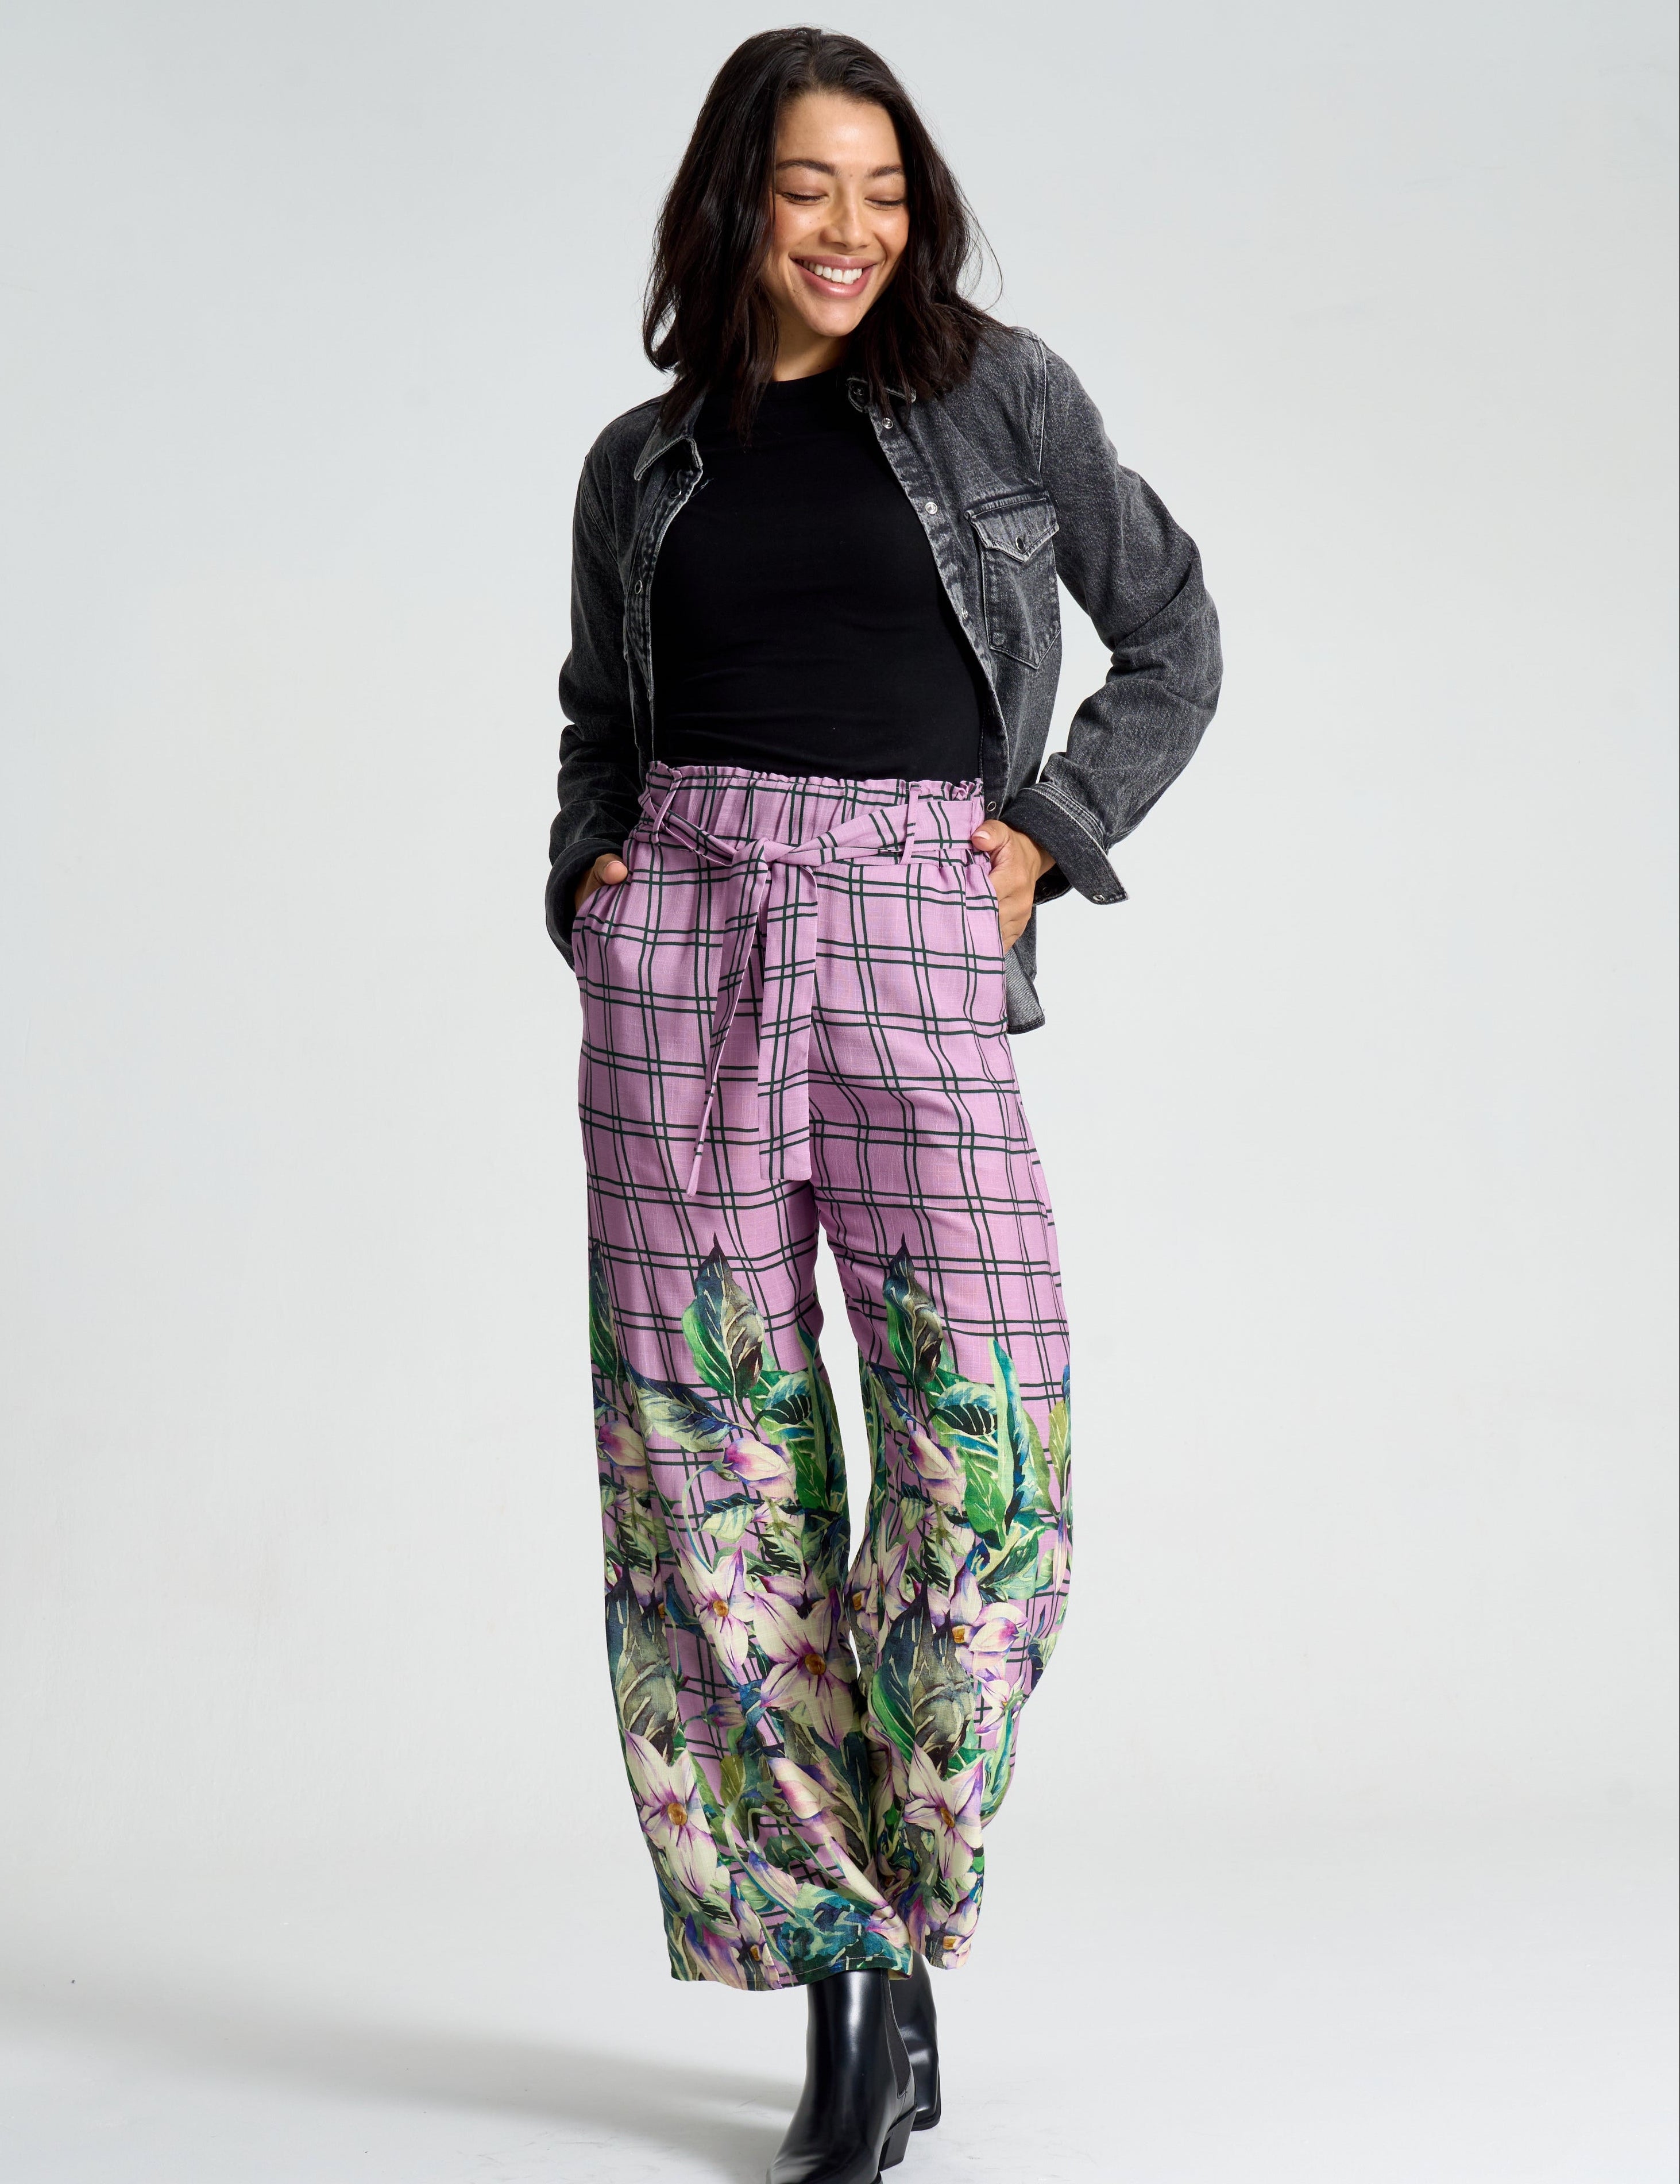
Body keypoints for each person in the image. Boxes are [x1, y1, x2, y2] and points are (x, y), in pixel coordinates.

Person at [546, 28, 1221, 2182]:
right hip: (692, 945)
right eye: (807, 189)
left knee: (992, 1469)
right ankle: (850, 1990)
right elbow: (593, 725)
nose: (848, 231)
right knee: (712, 1484)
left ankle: (896, 1907)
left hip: (923, 926)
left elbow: (1176, 634)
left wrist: (1041, 834)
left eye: (885, 192)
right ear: (733, 201)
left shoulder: (1002, 400)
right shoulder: (638, 463)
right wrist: (589, 871)